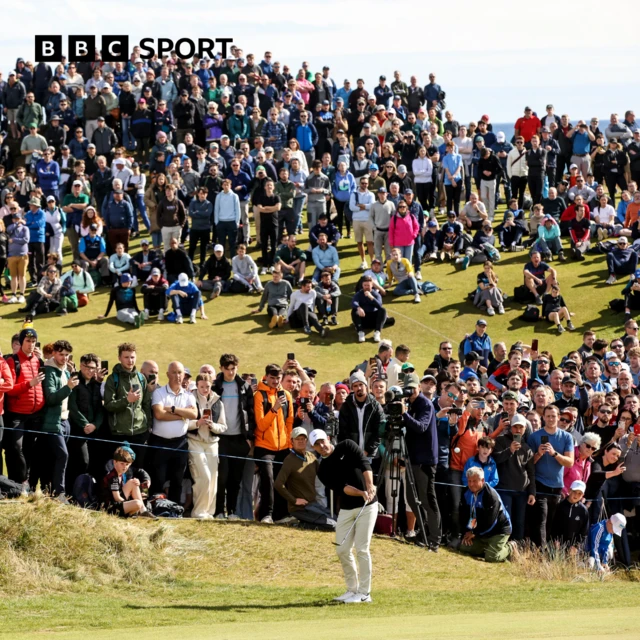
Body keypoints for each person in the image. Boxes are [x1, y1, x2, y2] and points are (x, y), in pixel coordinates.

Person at [311, 429, 378, 603]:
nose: (322, 446)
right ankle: (352, 589)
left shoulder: (347, 445)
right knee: (342, 549)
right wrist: (361, 492)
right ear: (314, 448)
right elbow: (343, 488)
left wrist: (369, 486)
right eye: (317, 445)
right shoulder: (322, 470)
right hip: (348, 508)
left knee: (362, 549)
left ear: (328, 438)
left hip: (368, 505)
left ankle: (365, 593)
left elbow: (365, 464)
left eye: (322, 441)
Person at [401, 372, 441, 550]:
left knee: (427, 499)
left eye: (412, 389)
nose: (409, 392)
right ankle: (424, 532)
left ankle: (435, 538)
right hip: (413, 459)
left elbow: (421, 427)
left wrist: (405, 415)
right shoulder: (410, 405)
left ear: (419, 387)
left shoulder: (425, 404)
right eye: (406, 389)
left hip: (425, 461)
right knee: (411, 497)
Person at [213, 354, 255, 520]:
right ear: (221, 368)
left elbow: (250, 414)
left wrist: (250, 437)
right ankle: (218, 511)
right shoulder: (215, 385)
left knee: (235, 478)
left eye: (233, 368)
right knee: (222, 477)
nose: (231, 372)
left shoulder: (244, 386)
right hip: (221, 437)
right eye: (227, 369)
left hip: (239, 438)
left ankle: (232, 511)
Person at [150, 361, 198, 504]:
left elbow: (194, 415)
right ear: (168, 374)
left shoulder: (189, 395)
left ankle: (174, 509)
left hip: (180, 443)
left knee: (177, 479)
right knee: (159, 477)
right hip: (160, 442)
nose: (178, 376)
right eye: (174, 372)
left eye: (180, 373)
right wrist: (183, 415)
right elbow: (159, 414)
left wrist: (172, 409)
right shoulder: (159, 393)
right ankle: (157, 507)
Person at [527, 404, 575, 547]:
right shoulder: (534, 437)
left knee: (551, 521)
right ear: (543, 418)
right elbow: (528, 464)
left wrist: (554, 453)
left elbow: (570, 462)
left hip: (557, 485)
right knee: (541, 518)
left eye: (553, 416)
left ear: (558, 417)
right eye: (547, 416)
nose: (550, 419)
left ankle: (544, 552)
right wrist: (539, 454)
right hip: (539, 483)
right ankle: (541, 552)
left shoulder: (566, 437)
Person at [3, 328, 45, 487]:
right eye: (28, 341)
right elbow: (10, 389)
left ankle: (26, 484)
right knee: (15, 447)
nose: (31, 344)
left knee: (31, 450)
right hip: (16, 414)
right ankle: (20, 481)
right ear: (21, 343)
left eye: (33, 342)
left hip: (35, 415)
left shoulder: (38, 361)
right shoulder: (12, 361)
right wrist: (30, 384)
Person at [253, 363, 294, 523]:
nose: (275, 381)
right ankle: (266, 514)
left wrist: (289, 444)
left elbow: (289, 422)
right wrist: (274, 408)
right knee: (268, 478)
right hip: (264, 447)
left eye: (278, 378)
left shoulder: (287, 396)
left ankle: (281, 515)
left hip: (284, 447)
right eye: (272, 378)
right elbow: (261, 424)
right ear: (266, 377)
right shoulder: (259, 395)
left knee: (281, 480)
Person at [275, 427, 336, 528]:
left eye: (303, 439)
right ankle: (297, 524)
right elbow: (278, 484)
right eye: (297, 439)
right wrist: (294, 500)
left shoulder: (311, 457)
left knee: (336, 519)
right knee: (332, 526)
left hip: (314, 505)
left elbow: (323, 474)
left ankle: (301, 523)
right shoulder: (289, 460)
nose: (301, 441)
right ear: (292, 441)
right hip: (299, 508)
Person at [187, 372, 227, 520]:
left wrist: (212, 426)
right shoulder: (190, 399)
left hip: (212, 443)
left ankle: (209, 512)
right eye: (201, 386)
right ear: (197, 386)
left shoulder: (218, 402)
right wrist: (197, 423)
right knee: (203, 476)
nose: (204, 389)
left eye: (207, 386)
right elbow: (184, 424)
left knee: (213, 479)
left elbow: (223, 426)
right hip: (195, 441)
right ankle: (198, 512)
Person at [493, 414, 536, 541]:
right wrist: (509, 450)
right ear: (511, 428)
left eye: (520, 428)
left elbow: (531, 472)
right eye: (515, 427)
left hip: (521, 491)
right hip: (504, 489)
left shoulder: (527, 448)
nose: (518, 430)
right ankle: (501, 545)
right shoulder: (501, 441)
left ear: (525, 429)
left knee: (519, 522)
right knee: (506, 519)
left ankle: (515, 548)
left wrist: (532, 492)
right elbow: (495, 460)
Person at [459, 466, 513, 562]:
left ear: (482, 480)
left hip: (498, 530)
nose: (471, 484)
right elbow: (469, 515)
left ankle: (511, 547)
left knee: (491, 558)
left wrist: (474, 533)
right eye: (469, 481)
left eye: (474, 481)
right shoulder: (466, 492)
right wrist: (468, 531)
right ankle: (488, 547)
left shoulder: (490, 495)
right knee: (463, 547)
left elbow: (490, 521)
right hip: (481, 531)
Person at [337, 371, 385, 458]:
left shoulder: (375, 406)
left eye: (361, 384)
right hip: (351, 455)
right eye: (355, 386)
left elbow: (379, 432)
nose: (359, 388)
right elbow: (343, 432)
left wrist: (367, 450)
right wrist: (353, 450)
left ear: (366, 385)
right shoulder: (346, 406)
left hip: (371, 455)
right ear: (352, 388)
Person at [100, 446, 155, 518]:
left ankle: (143, 511)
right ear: (115, 462)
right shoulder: (113, 477)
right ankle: (134, 512)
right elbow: (117, 498)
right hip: (110, 506)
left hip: (121, 501)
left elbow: (142, 472)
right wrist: (131, 502)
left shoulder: (125, 471)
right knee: (137, 503)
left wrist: (146, 482)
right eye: (122, 463)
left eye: (127, 464)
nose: (125, 467)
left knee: (133, 482)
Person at [549, 480, 590, 548]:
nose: (576, 495)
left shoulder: (583, 510)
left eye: (580, 493)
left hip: (573, 548)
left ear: (583, 495)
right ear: (569, 490)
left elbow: (584, 531)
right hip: (557, 545)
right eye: (574, 491)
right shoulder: (560, 506)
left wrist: (576, 546)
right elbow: (553, 525)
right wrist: (554, 540)